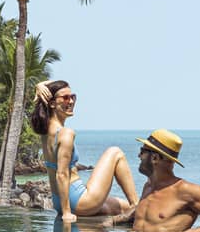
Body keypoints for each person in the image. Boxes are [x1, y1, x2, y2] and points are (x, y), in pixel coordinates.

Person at [31, 79, 140, 223]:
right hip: (78, 200)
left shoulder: (46, 129)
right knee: (115, 153)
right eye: (65, 98)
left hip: (60, 200)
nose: (70, 102)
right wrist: (67, 213)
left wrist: (39, 86)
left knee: (122, 207)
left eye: (72, 97)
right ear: (52, 103)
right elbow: (62, 174)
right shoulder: (65, 133)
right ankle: (137, 205)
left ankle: (137, 208)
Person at [111, 129, 200, 232]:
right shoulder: (149, 187)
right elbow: (148, 213)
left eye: (143, 151)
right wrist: (113, 221)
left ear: (155, 158)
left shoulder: (187, 191)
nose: (139, 155)